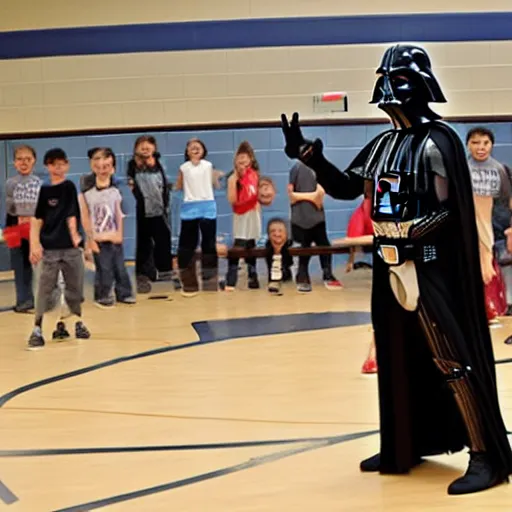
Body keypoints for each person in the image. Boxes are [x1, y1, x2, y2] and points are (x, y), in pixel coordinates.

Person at [281, 44, 512, 495]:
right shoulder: (385, 144)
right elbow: (350, 188)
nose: (388, 89)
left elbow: (449, 210)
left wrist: (411, 235)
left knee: (450, 355)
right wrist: (312, 158)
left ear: (420, 84)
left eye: (398, 79)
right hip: (389, 265)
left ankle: (485, 454)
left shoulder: (438, 140)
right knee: (396, 352)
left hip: (428, 266)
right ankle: (403, 442)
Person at [27, 148, 91, 350]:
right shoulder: (44, 190)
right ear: (47, 166)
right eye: (54, 164)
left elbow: (72, 213)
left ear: (67, 165)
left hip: (71, 249)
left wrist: (76, 236)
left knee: (75, 288)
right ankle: (37, 328)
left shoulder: (69, 187)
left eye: (62, 164)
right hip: (50, 249)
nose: (58, 167)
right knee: (44, 290)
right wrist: (34, 244)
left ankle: (76, 322)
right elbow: (37, 219)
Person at [79, 151, 135, 307]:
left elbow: (119, 215)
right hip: (98, 238)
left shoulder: (116, 192)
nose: (103, 169)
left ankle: (124, 293)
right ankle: (102, 295)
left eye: (107, 166)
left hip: (113, 236)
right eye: (99, 166)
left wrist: (120, 234)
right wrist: (89, 241)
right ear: (93, 167)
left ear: (112, 169)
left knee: (120, 267)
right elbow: (85, 218)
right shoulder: (86, 195)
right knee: (104, 268)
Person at [466, 127, 510, 321]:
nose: (481, 147)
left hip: (499, 232)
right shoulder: (461, 171)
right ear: (468, 145)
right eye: (475, 143)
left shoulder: (502, 171)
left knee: (497, 274)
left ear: (492, 145)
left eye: (485, 143)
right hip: (469, 232)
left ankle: (501, 307)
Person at [127, 135, 172, 294]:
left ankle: (165, 271)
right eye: (142, 146)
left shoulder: (160, 163)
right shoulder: (132, 164)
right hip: (141, 211)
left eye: (148, 146)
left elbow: (164, 185)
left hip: (159, 208)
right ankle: (142, 274)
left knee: (163, 239)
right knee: (143, 243)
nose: (145, 148)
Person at [175, 138, 220, 296]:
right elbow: (178, 185)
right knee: (187, 246)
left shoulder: (208, 166)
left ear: (203, 150)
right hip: (190, 207)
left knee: (209, 245)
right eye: (191, 147)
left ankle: (210, 282)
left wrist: (217, 177)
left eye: (198, 146)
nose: (194, 148)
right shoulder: (183, 168)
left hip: (207, 206)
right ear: (187, 151)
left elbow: (216, 184)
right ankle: (189, 284)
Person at [288, 161, 342, 292]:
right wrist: (310, 196)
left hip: (317, 218)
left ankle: (327, 273)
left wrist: (299, 196)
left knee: (324, 246)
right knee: (303, 248)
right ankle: (302, 274)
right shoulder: (295, 169)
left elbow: (319, 196)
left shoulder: (321, 168)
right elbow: (291, 197)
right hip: (299, 217)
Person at [4, 145, 42, 313]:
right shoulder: (10, 183)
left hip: (34, 228)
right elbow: (10, 209)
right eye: (20, 159)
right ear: (14, 162)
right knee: (20, 266)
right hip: (15, 228)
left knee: (39, 265)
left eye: (28, 159)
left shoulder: (39, 183)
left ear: (34, 161)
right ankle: (24, 300)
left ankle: (45, 300)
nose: (24, 162)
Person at [225, 141, 262, 291]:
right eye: (239, 157)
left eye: (245, 157)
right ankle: (231, 278)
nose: (242, 160)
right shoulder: (233, 178)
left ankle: (253, 276)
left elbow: (258, 198)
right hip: (240, 214)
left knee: (251, 245)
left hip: (252, 214)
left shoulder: (255, 176)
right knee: (238, 245)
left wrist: (258, 216)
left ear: (251, 159)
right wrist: (234, 181)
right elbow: (232, 200)